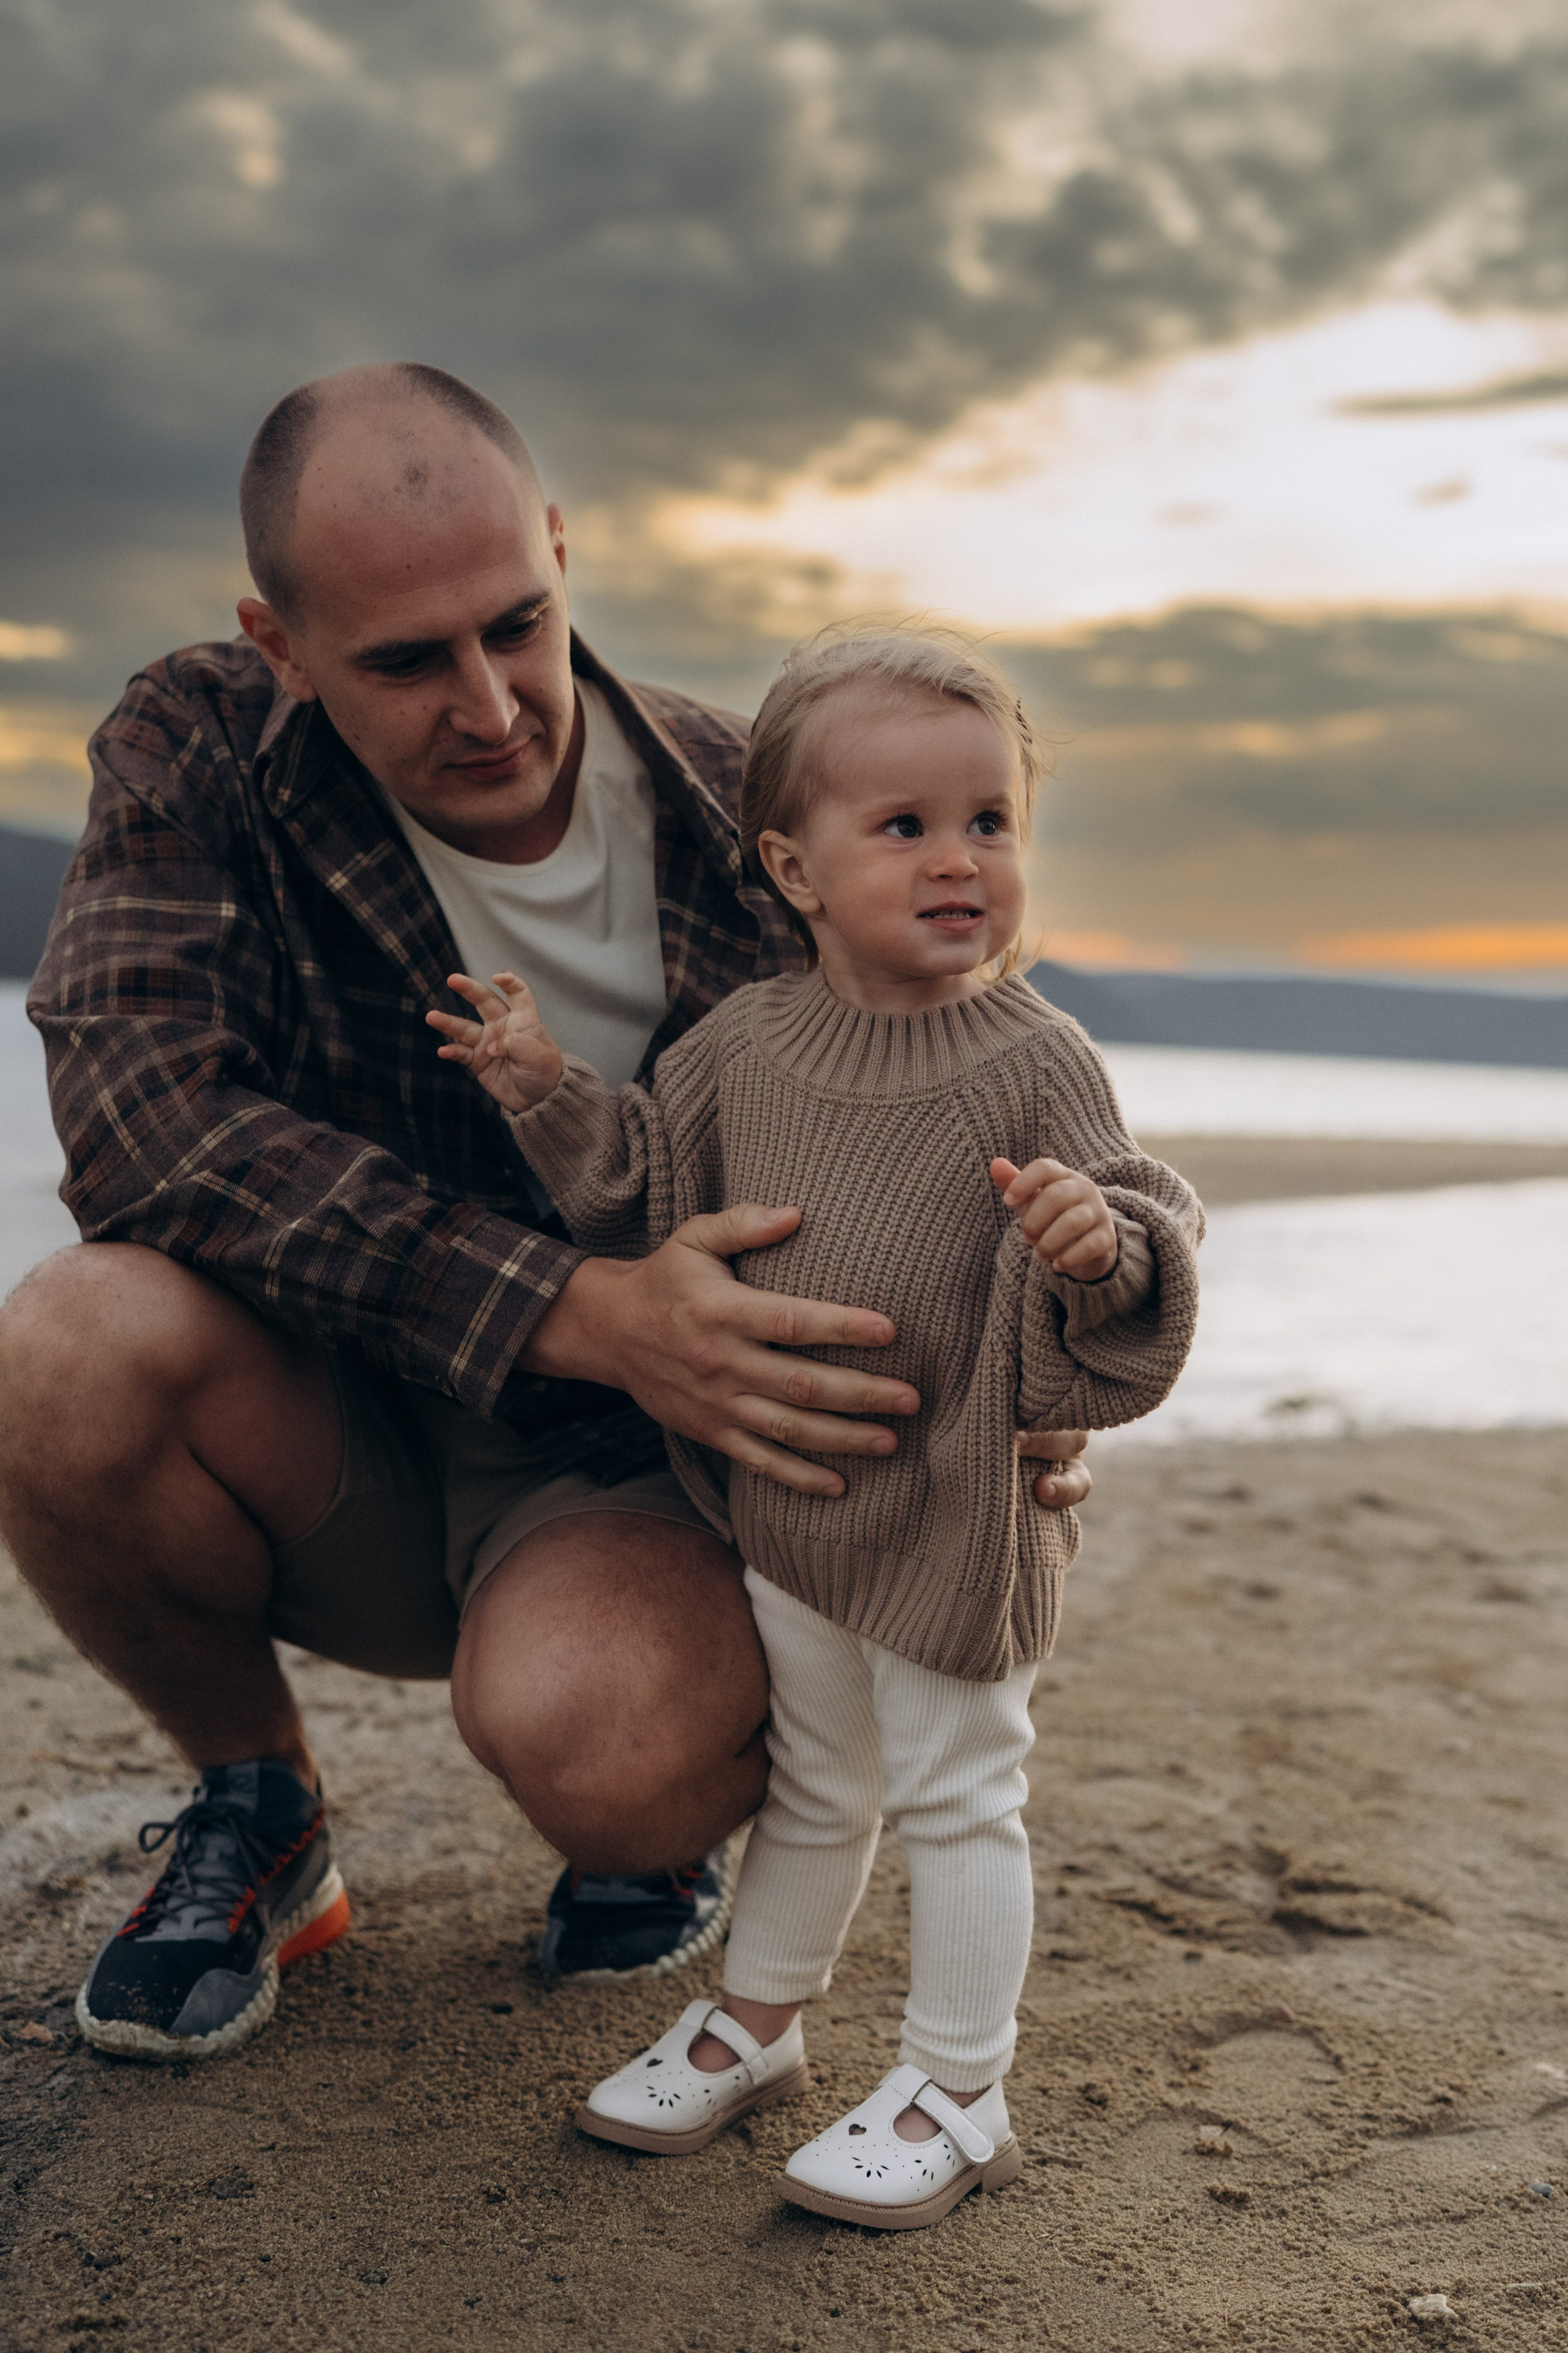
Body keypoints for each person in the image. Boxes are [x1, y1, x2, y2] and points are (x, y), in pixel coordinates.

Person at [0, 364, 1093, 2064]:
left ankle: (650, 1826)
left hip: (627, 1474)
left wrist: (1026, 1381)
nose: (495, 706)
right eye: (405, 661)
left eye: (519, 624)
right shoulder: (196, 740)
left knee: (611, 1754)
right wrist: (578, 1308)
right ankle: (260, 1805)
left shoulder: (762, 813)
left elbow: (961, 1125)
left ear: (564, 554)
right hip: (325, 1410)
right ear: (281, 645)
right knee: (62, 1344)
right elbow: (145, 1123)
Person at [429, 620, 1202, 2228]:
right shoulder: (740, 1046)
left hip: (955, 1515)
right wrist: (543, 1086)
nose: (958, 860)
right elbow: (639, 1186)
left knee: (963, 1795)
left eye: (990, 821)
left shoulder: (1036, 1058)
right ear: (794, 866)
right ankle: (759, 2024)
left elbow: (1142, 1221)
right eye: (904, 824)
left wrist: (1100, 1248)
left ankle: (960, 2088)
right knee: (813, 1781)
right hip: (792, 1508)